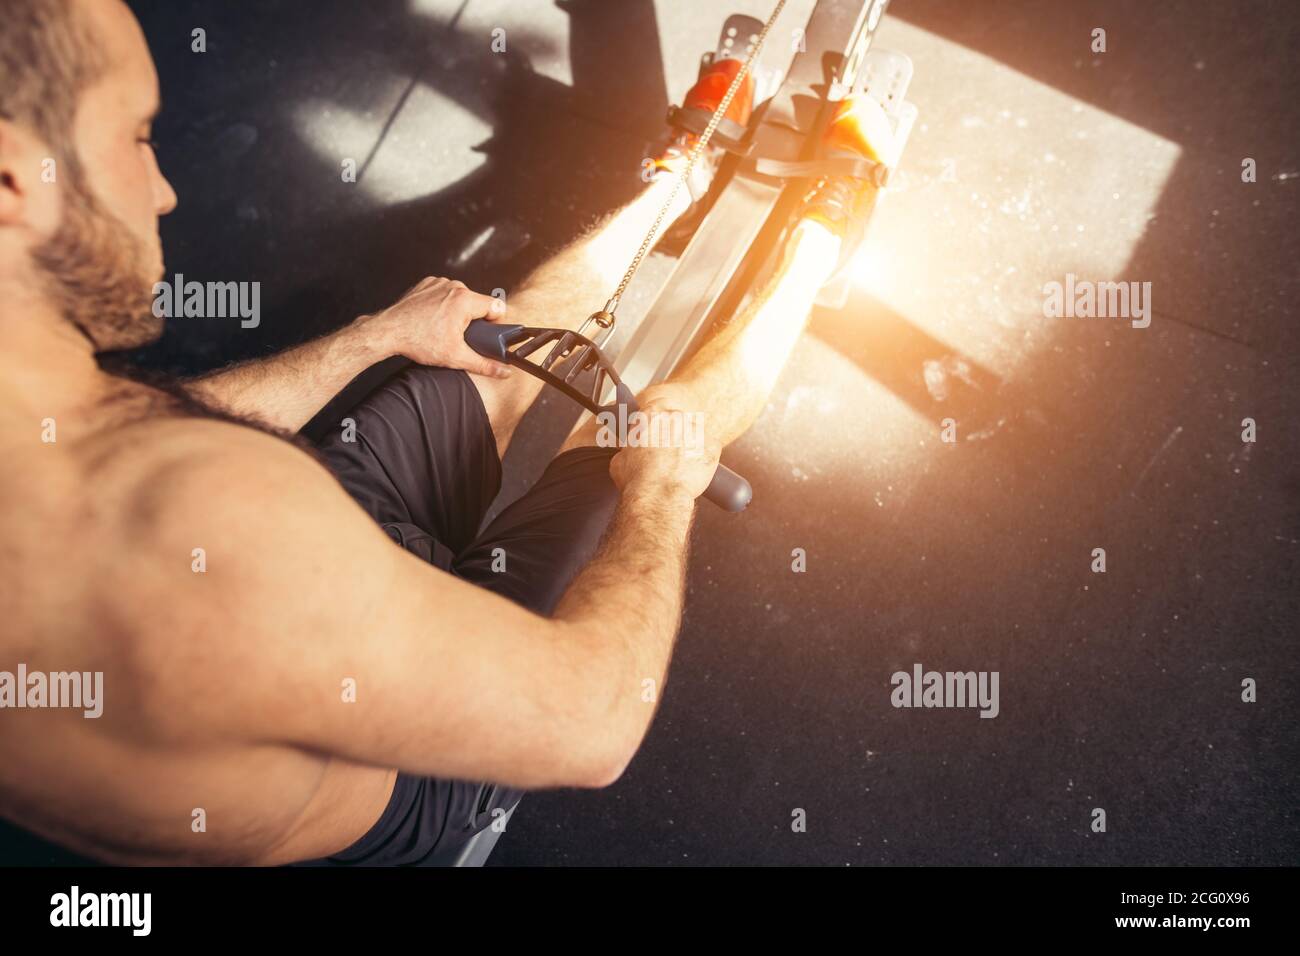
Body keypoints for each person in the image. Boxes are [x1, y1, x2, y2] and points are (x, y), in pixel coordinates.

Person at [0, 0, 890, 865]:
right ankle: (821, 237)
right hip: (407, 760)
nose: (162, 189)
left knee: (495, 343)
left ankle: (678, 178)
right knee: (663, 428)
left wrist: (368, 340)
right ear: (12, 180)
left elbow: (154, 422)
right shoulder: (215, 570)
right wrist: (664, 487)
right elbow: (593, 722)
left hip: (336, 533)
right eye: (138, 136)